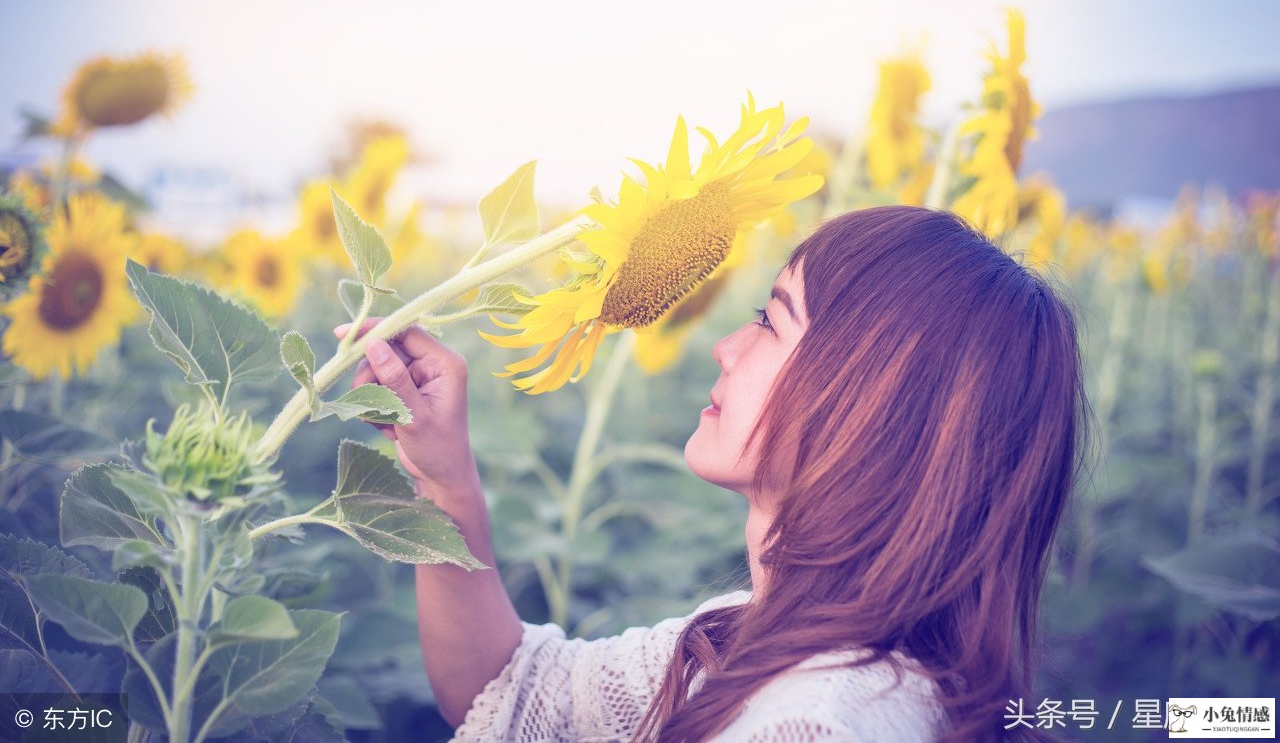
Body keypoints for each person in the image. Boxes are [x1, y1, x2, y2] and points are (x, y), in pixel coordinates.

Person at [333, 205, 1094, 742]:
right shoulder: (758, 635)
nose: (726, 345)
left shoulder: (820, 720)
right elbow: (513, 690)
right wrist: (444, 478)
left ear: (873, 406)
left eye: (771, 321)